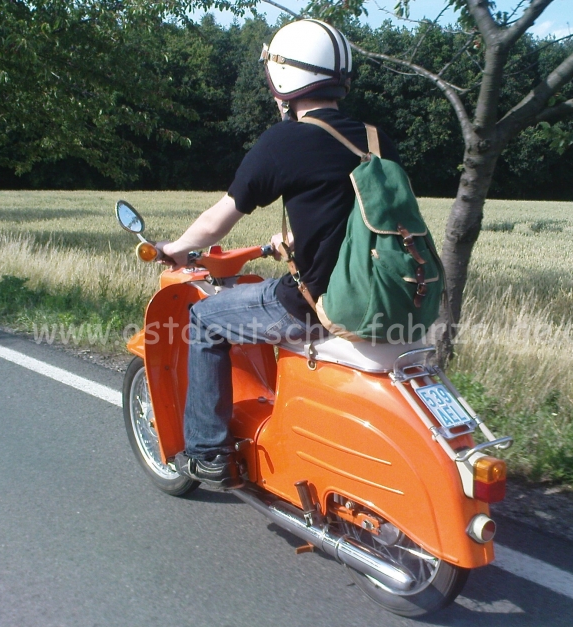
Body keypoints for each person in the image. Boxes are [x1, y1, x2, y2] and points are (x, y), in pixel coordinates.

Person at [154, 19, 400, 489]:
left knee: (205, 320)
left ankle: (207, 454)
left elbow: (221, 217)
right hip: (386, 295)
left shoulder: (285, 141)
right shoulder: (374, 139)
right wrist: (295, 240)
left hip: (313, 304)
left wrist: (178, 248)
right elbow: (361, 215)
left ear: (284, 79)